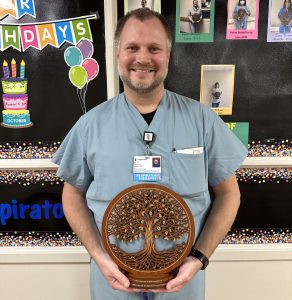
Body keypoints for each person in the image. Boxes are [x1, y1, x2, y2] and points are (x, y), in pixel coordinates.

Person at [52, 8, 247, 300]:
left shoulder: (202, 120)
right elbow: (72, 195)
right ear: (118, 53)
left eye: (154, 48)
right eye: (132, 47)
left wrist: (199, 259)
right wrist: (99, 256)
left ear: (168, 56)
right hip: (112, 281)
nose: (142, 58)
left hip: (183, 281)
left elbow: (229, 194)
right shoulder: (90, 125)